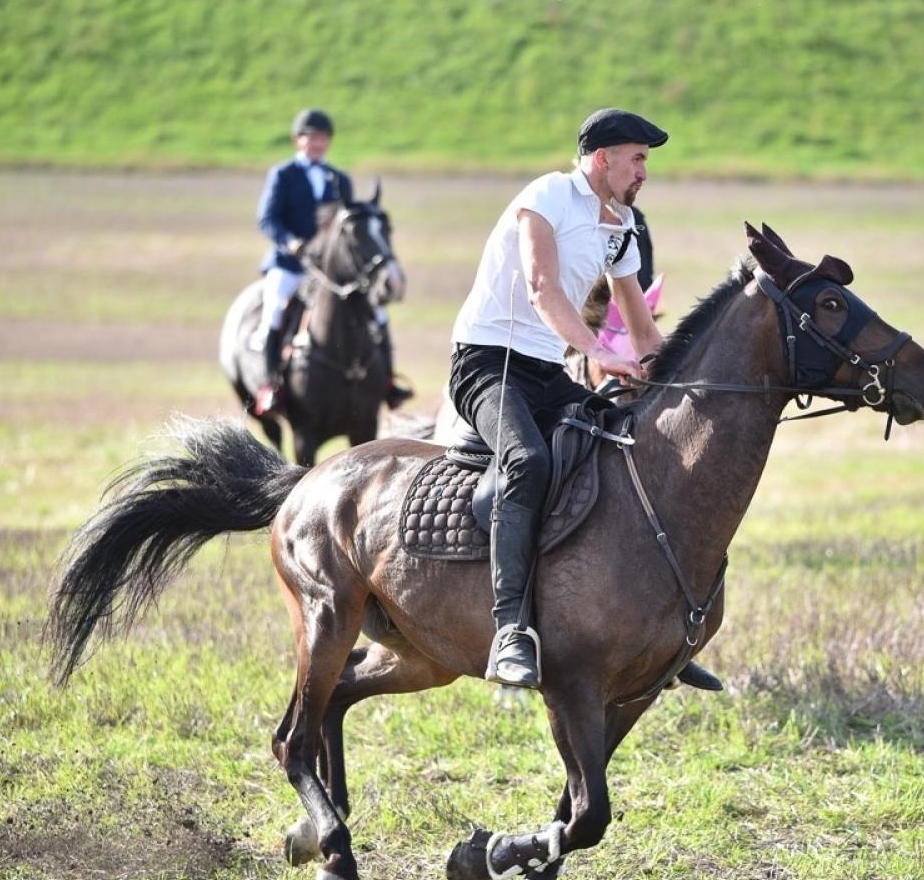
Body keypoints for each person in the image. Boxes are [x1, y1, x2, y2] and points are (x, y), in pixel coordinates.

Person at [447, 108, 721, 693]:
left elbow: (645, 332)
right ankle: (510, 632)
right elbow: (543, 286)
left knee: (635, 447)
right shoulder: (547, 195)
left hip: (546, 373)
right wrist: (600, 351)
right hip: (487, 363)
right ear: (603, 159)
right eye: (639, 159)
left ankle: (658, 631)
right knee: (528, 461)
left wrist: (680, 388)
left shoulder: (620, 225)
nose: (645, 172)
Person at [251, 108, 410, 416]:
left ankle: (388, 382)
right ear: (298, 140)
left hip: (330, 273)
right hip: (290, 265)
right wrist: (291, 242)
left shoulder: (340, 178)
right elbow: (267, 219)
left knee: (378, 313)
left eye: (323, 139)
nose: (318, 144)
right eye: (311, 138)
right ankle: (271, 386)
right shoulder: (283, 175)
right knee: (273, 309)